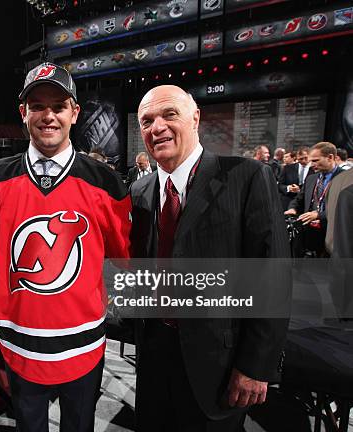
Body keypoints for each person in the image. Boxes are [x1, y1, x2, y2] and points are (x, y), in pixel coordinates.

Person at [0, 62, 131, 432]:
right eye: (38, 106)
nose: (48, 116)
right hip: (19, 345)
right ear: (23, 112)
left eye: (58, 106)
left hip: (84, 344)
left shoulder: (107, 183)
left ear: (75, 113)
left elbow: (121, 257)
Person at [131, 85, 289, 431]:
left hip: (219, 363)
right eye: (147, 121)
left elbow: (273, 278)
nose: (157, 127)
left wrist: (255, 366)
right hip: (154, 354)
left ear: (195, 118)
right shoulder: (140, 191)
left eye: (169, 114)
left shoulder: (246, 177)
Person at [285, 142, 344, 256]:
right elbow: (299, 199)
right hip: (310, 235)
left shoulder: (345, 179)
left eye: (315, 160)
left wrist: (319, 215)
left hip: (333, 235)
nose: (311, 164)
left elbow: (344, 208)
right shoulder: (311, 178)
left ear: (330, 157)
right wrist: (292, 208)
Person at [278, 147, 313, 211]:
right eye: (300, 159)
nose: (303, 161)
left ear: (310, 156)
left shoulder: (315, 169)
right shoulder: (287, 168)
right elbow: (279, 185)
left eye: (306, 158)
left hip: (307, 205)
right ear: (296, 158)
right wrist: (288, 188)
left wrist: (300, 191)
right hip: (288, 203)